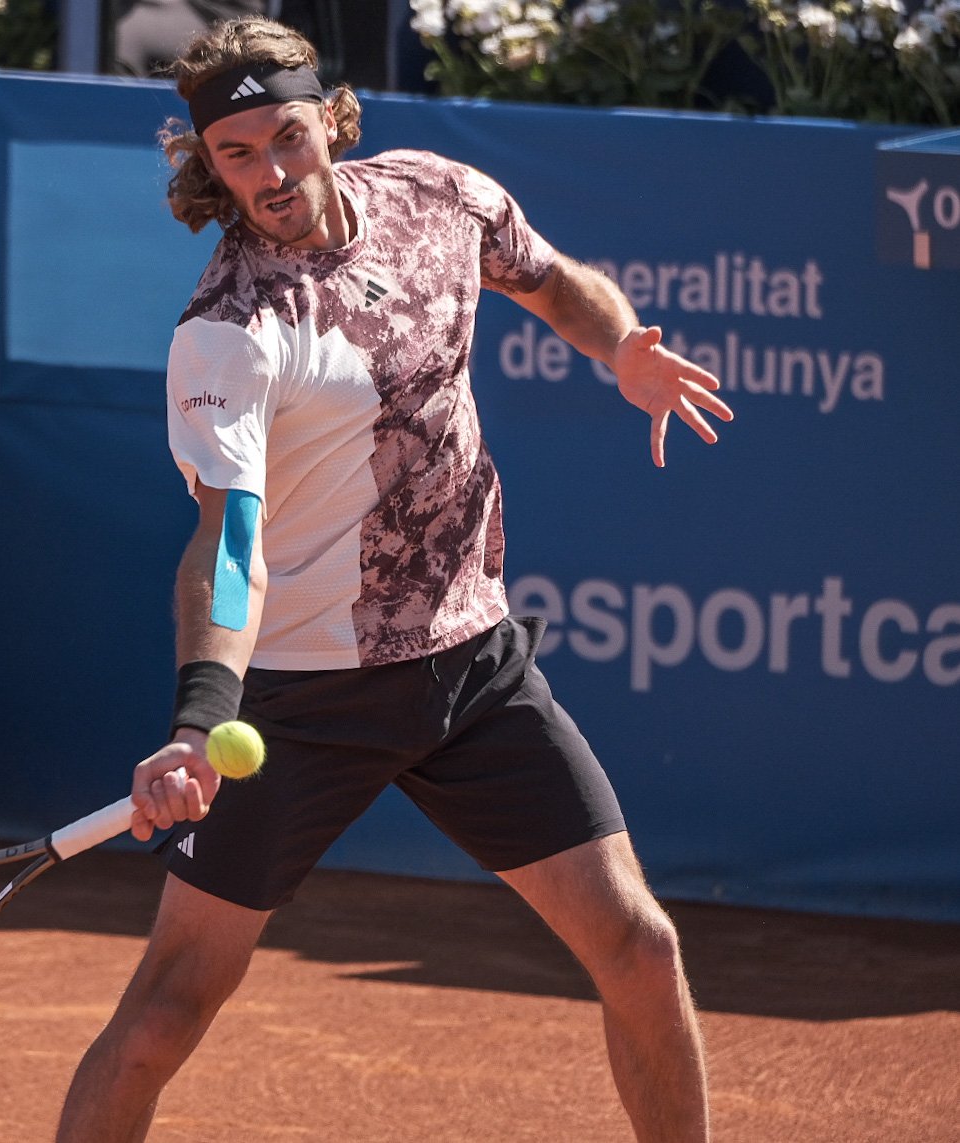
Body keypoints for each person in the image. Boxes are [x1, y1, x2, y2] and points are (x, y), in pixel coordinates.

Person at [56, 17, 731, 1143]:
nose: (271, 174)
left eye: (287, 136)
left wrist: (620, 351)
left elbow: (553, 281)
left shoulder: (439, 196)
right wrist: (196, 721)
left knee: (639, 946)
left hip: (472, 669)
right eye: (236, 153)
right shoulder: (228, 333)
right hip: (299, 705)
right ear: (204, 166)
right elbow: (229, 547)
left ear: (331, 118)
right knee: (164, 1014)